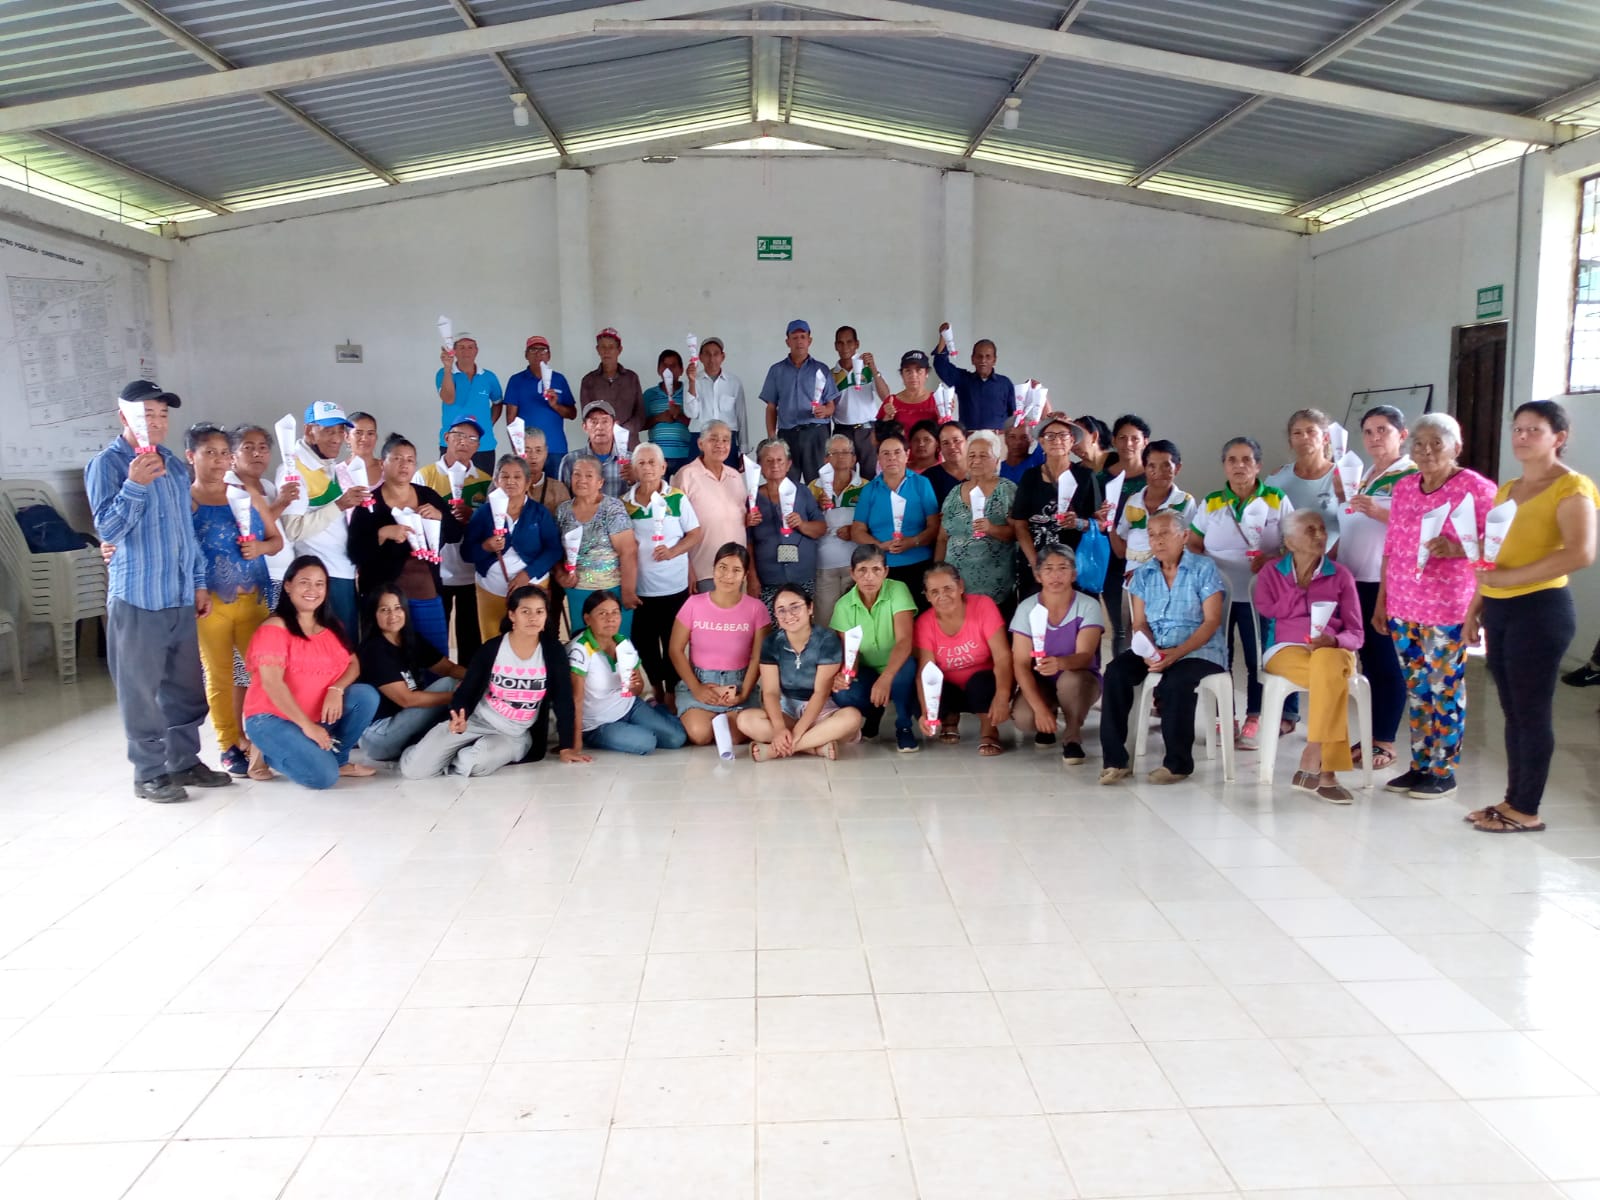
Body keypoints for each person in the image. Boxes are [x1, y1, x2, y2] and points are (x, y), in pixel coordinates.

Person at [87, 380, 233, 803]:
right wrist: (134, 484)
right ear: (124, 417)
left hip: (179, 596)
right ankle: (149, 773)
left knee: (185, 689)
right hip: (138, 597)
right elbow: (108, 530)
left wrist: (199, 583)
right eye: (146, 414)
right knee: (140, 692)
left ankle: (183, 761)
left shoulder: (171, 462)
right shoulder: (107, 465)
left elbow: (185, 532)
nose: (155, 422)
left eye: (162, 414)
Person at [1465, 400, 1598, 833]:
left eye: (1533, 430)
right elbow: (1493, 557)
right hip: (1500, 607)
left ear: (1559, 437)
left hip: (1540, 609)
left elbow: (1580, 553)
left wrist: (1510, 579)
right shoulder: (1508, 489)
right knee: (1512, 710)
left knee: (1531, 711)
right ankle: (1513, 799)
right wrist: (1476, 607)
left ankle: (1527, 809)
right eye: (1517, 429)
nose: (1521, 437)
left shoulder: (1571, 487)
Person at [1372, 413, 1496, 799]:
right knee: (1417, 688)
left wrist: (1457, 549)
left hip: (1448, 608)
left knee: (1445, 688)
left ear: (1456, 447)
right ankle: (1420, 765)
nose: (1426, 451)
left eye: (1436, 444)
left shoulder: (1476, 488)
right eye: (1419, 444)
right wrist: (1383, 600)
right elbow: (1391, 548)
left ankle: (1444, 771)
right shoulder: (1405, 487)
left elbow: (1499, 546)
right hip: (1403, 605)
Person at [400, 584, 588, 777]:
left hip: (512, 735)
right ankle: (426, 751)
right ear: (512, 615)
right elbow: (468, 689)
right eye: (525, 611)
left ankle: (457, 755)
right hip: (476, 722)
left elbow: (564, 699)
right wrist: (459, 717)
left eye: (539, 612)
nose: (533, 618)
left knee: (472, 764)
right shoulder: (492, 649)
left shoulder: (553, 651)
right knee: (414, 770)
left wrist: (566, 746)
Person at [1099, 511, 1227, 785]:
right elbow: (1140, 623)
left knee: (1176, 682)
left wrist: (1175, 654)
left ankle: (1178, 764)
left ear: (1184, 536)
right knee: (1115, 673)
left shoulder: (1203, 568)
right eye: (1152, 535)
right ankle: (1115, 760)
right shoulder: (1143, 574)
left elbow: (1211, 621)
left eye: (1165, 533)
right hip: (1156, 647)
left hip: (1198, 649)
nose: (1157, 540)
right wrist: (1151, 652)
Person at [188, 422, 283, 777]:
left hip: (253, 598)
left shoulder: (247, 495)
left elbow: (276, 540)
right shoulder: (186, 501)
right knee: (219, 675)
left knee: (265, 670)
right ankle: (229, 743)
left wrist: (259, 548)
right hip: (209, 603)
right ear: (191, 457)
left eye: (224, 453)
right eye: (209, 453)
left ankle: (264, 739)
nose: (218, 460)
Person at [1187, 435, 1293, 749]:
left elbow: (1294, 544)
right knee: (1220, 654)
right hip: (1217, 595)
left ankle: (1254, 716)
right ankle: (1225, 716)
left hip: (1260, 593)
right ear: (1224, 466)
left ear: (1258, 466)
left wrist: (1272, 559)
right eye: (1232, 460)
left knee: (1255, 656)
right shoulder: (1212, 501)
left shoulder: (1276, 499)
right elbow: (1193, 544)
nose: (1239, 466)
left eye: (1247, 459)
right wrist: (1206, 568)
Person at [1256, 510, 1365, 803]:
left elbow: (1356, 633)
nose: (1320, 535)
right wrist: (1298, 588)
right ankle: (1325, 770)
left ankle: (1315, 754)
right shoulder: (1271, 572)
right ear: (1290, 542)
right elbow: (1269, 609)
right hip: (1286, 649)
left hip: (1334, 649)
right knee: (1329, 677)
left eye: (1322, 529)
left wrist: (1334, 640)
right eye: (1310, 530)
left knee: (1327, 663)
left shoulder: (1340, 575)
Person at [243, 555, 379, 788]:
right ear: (288, 585)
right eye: (304, 582)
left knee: (365, 695)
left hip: (316, 717)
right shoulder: (274, 628)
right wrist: (307, 726)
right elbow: (273, 684)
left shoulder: (332, 626)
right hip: (272, 719)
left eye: (319, 584)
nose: (312, 590)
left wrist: (336, 689)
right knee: (323, 778)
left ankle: (338, 760)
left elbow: (353, 664)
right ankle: (267, 752)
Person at [1336, 406, 1415, 773]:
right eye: (1368, 431)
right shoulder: (1365, 474)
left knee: (1386, 661)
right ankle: (1370, 734)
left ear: (1402, 434)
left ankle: (1385, 739)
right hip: (1353, 578)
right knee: (1367, 660)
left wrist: (1378, 512)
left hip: (1383, 580)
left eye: (1383, 429)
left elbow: (1418, 527)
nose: (1375, 437)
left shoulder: (1410, 475)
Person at [224, 422, 300, 769]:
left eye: (263, 448)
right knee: (244, 665)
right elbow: (253, 531)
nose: (257, 454)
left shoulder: (267, 485)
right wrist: (281, 503)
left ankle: (268, 732)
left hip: (280, 578)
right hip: (252, 583)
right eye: (248, 447)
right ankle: (236, 737)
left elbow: (275, 537)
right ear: (233, 455)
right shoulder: (230, 488)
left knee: (275, 662)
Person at [346, 434, 462, 654]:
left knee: (435, 657)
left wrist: (440, 517)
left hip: (427, 592)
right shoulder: (370, 503)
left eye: (410, 460)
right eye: (397, 458)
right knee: (388, 659)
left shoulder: (428, 496)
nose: (404, 465)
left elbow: (455, 533)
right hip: (385, 600)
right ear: (383, 463)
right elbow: (355, 552)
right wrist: (382, 534)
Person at [276, 402, 370, 637]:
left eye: (340, 431)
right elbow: (294, 530)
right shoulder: (294, 469)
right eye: (329, 431)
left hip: (342, 570)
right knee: (338, 644)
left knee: (348, 643)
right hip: (324, 574)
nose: (337, 438)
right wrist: (340, 505)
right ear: (309, 431)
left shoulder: (326, 464)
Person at [738, 584, 863, 760]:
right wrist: (779, 728)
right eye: (781, 610)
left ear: (810, 608)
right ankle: (816, 747)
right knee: (745, 720)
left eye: (795, 607)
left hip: (821, 709)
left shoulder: (827, 639)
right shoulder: (771, 642)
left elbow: (820, 693)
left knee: (852, 718)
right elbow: (771, 692)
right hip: (787, 709)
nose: (788, 615)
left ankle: (780, 749)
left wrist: (796, 733)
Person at [624, 443, 702, 708]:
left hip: (674, 588)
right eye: (641, 463)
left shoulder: (677, 498)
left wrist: (673, 552)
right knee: (644, 645)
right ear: (634, 469)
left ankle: (673, 695)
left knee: (673, 645)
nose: (647, 468)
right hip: (641, 590)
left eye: (652, 463)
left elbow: (695, 533)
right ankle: (656, 691)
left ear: (663, 467)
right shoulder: (625, 503)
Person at [669, 543, 770, 746]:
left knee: (734, 737)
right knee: (699, 734)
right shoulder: (693, 604)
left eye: (736, 570)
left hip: (738, 684)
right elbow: (675, 650)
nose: (728, 576)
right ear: (713, 569)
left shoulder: (757, 609)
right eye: (722, 567)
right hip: (700, 682)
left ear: (745, 575)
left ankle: (729, 716)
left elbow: (758, 657)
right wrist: (696, 688)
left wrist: (743, 694)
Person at [1009, 546, 1103, 764]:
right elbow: (1020, 663)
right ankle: (1047, 719)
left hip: (1079, 678)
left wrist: (1060, 663)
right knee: (1024, 718)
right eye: (1048, 569)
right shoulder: (1027, 609)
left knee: (1071, 681)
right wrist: (1040, 710)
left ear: (1074, 574)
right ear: (1038, 576)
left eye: (1063, 568)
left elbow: (1085, 655)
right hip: (1041, 679)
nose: (1056, 575)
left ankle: (1072, 735)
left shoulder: (1088, 605)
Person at [356, 584, 466, 762]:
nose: (393, 615)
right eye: (384, 610)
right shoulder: (374, 650)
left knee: (455, 686)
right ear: (373, 614)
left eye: (397, 608)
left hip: (403, 723)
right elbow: (407, 699)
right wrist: (460, 695)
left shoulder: (409, 639)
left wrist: (482, 679)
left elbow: (449, 668)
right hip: (379, 736)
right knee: (450, 685)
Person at [569, 591, 687, 755]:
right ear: (588, 618)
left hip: (629, 706)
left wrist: (634, 686)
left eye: (615, 612)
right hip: (598, 722)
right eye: (602, 613)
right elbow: (575, 699)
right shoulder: (580, 650)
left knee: (677, 738)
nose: (610, 619)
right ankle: (648, 720)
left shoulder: (623, 642)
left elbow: (637, 689)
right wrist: (575, 742)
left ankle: (654, 712)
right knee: (647, 742)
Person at [414, 417, 493, 662]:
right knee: (435, 638)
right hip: (437, 572)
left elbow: (491, 524)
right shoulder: (424, 476)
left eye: (472, 438)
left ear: (478, 446)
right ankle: (437, 681)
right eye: (459, 435)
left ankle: (466, 681)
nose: (464, 442)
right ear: (446, 438)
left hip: (472, 573)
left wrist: (473, 517)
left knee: (470, 638)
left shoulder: (485, 480)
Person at [830, 545, 920, 750]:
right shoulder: (843, 605)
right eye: (862, 570)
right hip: (867, 669)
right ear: (852, 573)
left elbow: (904, 641)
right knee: (843, 693)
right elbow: (850, 653)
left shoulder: (898, 589)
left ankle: (904, 726)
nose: (869, 577)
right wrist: (845, 675)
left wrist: (886, 677)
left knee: (904, 671)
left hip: (898, 663)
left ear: (886, 571)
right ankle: (874, 714)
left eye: (876, 570)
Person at [915, 563, 1012, 754]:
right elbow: (925, 673)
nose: (942, 596)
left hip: (983, 685)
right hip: (950, 687)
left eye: (948, 588)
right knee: (927, 689)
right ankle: (949, 718)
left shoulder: (983, 606)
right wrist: (926, 713)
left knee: (980, 682)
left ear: (960, 586)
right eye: (934, 592)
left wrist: (1002, 696)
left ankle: (989, 730)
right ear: (927, 596)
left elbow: (1003, 657)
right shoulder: (924, 622)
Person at [464, 455, 563, 640]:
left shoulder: (539, 512)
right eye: (505, 476)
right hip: (491, 588)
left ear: (527, 483)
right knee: (492, 641)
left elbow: (553, 550)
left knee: (531, 638)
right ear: (496, 481)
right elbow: (466, 553)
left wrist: (528, 574)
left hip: (533, 586)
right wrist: (486, 546)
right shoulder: (483, 513)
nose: (510, 481)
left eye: (517, 477)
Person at [1010, 414, 1099, 595]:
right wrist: (1036, 564)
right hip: (1036, 562)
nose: (1057, 441)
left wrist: (1078, 523)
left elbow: (1101, 523)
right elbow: (1020, 524)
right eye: (1050, 436)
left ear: (1072, 440)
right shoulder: (1030, 477)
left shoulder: (1086, 477)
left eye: (1063, 435)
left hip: (1075, 564)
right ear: (1042, 442)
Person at [851, 429, 941, 608]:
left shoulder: (922, 484)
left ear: (907, 455)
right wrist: (879, 546)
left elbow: (934, 526)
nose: (891, 458)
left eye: (897, 452)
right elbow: (857, 530)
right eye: (885, 453)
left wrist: (913, 542)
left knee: (921, 615)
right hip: (882, 567)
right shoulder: (869, 490)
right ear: (878, 458)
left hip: (919, 563)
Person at [555, 455, 639, 637]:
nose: (581, 480)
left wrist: (628, 590)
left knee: (615, 646)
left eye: (589, 475)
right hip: (577, 591)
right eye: (577, 474)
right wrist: (561, 574)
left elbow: (628, 551)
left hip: (612, 592)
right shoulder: (563, 510)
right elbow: (557, 551)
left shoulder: (612, 508)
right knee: (583, 645)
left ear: (600, 482)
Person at [936, 429, 1017, 612]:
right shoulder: (955, 492)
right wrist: (937, 572)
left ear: (996, 460)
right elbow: (942, 538)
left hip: (995, 587)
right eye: (971, 455)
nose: (976, 460)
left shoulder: (1006, 490)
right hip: (956, 586)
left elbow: (1018, 533)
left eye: (983, 455)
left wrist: (992, 529)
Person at [1112, 439, 1196, 604]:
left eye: (1166, 466)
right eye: (1152, 466)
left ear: (1177, 468)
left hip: (1170, 582)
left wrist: (1144, 571)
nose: (1159, 471)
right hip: (1132, 584)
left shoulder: (1184, 501)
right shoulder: (1133, 501)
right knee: (1131, 620)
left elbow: (1188, 547)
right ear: (1144, 468)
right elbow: (1121, 551)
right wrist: (1109, 525)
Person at [747, 437, 826, 610]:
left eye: (779, 460)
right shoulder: (752, 499)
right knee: (772, 623)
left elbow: (821, 528)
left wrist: (802, 525)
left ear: (788, 464)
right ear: (759, 466)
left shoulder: (803, 492)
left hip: (802, 575)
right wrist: (752, 577)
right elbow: (748, 542)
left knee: (801, 621)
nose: (775, 465)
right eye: (768, 461)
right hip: (768, 578)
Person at [760, 318, 838, 485]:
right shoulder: (777, 370)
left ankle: (818, 504)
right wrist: (772, 438)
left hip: (816, 433)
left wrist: (825, 411)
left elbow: (831, 405)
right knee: (786, 483)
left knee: (818, 483)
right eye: (794, 338)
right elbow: (771, 407)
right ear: (787, 341)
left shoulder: (821, 369)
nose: (799, 341)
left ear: (810, 340)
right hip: (788, 435)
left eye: (803, 337)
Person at [673, 420, 749, 592]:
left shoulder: (736, 476)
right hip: (703, 571)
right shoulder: (686, 475)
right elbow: (674, 528)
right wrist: (687, 568)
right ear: (701, 444)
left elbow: (741, 520)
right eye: (713, 439)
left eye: (726, 440)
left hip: (737, 571)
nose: (720, 445)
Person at [1102, 414, 1152, 654]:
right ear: (1114, 441)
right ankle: (1120, 673)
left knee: (1149, 624)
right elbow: (1090, 518)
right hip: (1112, 560)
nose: (1128, 444)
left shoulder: (1154, 477)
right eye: (1122, 438)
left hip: (1148, 561)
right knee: (1121, 627)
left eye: (1134, 438)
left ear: (1145, 442)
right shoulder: (1101, 478)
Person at [811, 435, 866, 627]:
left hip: (857, 566)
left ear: (854, 458)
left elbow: (875, 522)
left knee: (855, 621)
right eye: (834, 453)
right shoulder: (813, 487)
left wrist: (855, 530)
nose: (840, 457)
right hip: (824, 566)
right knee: (825, 620)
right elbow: (804, 523)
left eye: (846, 452)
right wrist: (815, 507)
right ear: (826, 458)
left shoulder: (866, 487)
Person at [1267, 408, 1343, 549]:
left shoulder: (1341, 476)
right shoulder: (1277, 478)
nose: (1304, 437)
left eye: (1311, 431)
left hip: (1330, 559)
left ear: (1325, 438)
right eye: (1297, 433)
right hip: (1286, 559)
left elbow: (1353, 524)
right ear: (1290, 442)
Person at [436, 332, 501, 472]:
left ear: (476, 350)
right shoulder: (443, 373)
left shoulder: (489, 377)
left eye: (470, 347)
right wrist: (448, 368)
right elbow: (448, 398)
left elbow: (498, 403)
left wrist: (488, 424)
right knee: (451, 485)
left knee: (482, 485)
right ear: (454, 351)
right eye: (462, 347)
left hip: (483, 445)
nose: (466, 351)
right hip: (452, 445)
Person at [932, 323, 1015, 430]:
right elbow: (941, 366)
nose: (983, 360)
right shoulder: (963, 380)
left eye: (988, 357)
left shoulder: (1005, 384)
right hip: (969, 437)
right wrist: (944, 336)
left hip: (997, 438)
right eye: (979, 356)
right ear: (972, 359)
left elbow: (1013, 417)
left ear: (994, 360)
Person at [503, 335, 576, 458]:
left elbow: (572, 414)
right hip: (528, 450)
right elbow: (511, 419)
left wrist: (555, 406)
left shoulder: (559, 379)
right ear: (526, 355)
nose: (538, 354)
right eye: (533, 350)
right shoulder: (516, 380)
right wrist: (517, 448)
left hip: (556, 448)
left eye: (543, 350)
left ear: (549, 355)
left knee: (557, 472)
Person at [830, 326, 890, 476]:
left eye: (849, 342)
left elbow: (886, 396)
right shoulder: (831, 374)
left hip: (868, 430)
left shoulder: (868, 369)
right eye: (841, 343)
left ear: (857, 344)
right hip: (842, 431)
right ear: (836, 346)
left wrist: (874, 369)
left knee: (870, 476)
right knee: (843, 475)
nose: (845, 347)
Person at [684, 337, 752, 464]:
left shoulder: (734, 382)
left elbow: (741, 416)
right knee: (698, 475)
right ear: (700, 357)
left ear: (723, 357)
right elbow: (691, 413)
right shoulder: (692, 381)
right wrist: (692, 382)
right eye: (707, 354)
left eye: (716, 354)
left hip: (727, 439)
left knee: (727, 475)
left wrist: (743, 450)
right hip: (700, 438)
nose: (711, 358)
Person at [579, 327, 645, 438]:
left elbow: (640, 415)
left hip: (628, 441)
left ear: (619, 350)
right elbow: (587, 416)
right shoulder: (588, 381)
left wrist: (622, 430)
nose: (606, 351)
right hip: (600, 442)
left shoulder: (631, 378)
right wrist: (606, 429)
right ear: (598, 350)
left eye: (611, 347)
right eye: (603, 347)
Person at [558, 401, 632, 499]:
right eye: (594, 422)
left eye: (605, 421)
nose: (599, 427)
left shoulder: (630, 460)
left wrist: (635, 480)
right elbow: (563, 499)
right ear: (585, 427)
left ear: (615, 425)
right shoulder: (570, 460)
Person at [641, 349, 694, 478]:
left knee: (682, 490)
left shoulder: (689, 392)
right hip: (656, 456)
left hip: (685, 455)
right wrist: (659, 418)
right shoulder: (649, 395)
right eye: (665, 366)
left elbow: (698, 424)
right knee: (658, 490)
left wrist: (679, 415)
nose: (668, 370)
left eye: (673, 366)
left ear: (681, 370)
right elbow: (641, 424)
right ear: (658, 370)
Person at [879, 351, 941, 436]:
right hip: (900, 445)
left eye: (918, 370)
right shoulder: (891, 402)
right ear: (902, 375)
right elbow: (876, 437)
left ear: (926, 373)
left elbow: (946, 434)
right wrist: (886, 420)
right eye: (908, 371)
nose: (913, 375)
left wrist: (944, 416)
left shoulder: (938, 400)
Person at [521, 427, 572, 516]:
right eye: (526, 451)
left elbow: (566, 521)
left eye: (538, 450)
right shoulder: (508, 485)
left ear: (546, 452)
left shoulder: (558, 489)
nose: (533, 456)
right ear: (517, 453)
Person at [924, 421, 968, 508]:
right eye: (945, 443)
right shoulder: (929, 478)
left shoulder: (982, 472)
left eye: (956, 440)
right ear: (939, 447)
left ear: (967, 441)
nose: (952, 446)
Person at [1000, 414, 1043, 485]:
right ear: (1005, 438)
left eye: (1024, 437)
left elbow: (1046, 436)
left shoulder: (1036, 461)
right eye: (1012, 437)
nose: (1018, 442)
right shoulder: (997, 469)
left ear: (1032, 439)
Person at [347, 411, 381, 487]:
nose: (364, 439)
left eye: (370, 433)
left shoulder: (388, 469)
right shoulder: (336, 473)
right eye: (358, 433)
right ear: (347, 437)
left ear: (376, 437)